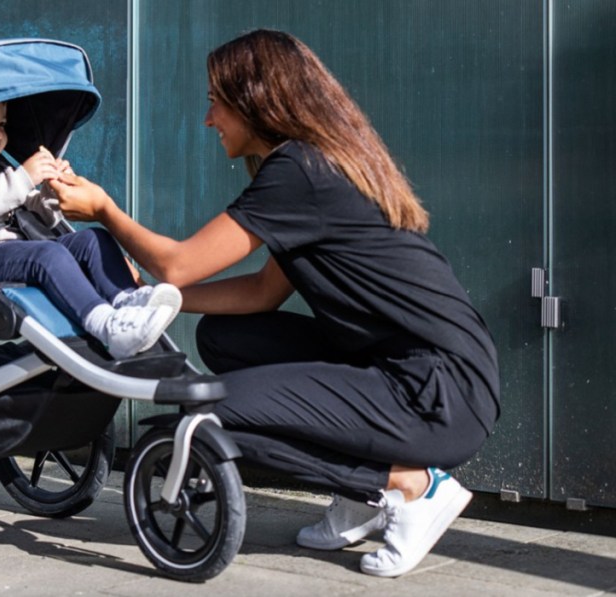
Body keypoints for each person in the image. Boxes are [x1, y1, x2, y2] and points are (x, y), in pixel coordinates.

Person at [49, 29, 500, 577]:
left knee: (208, 412)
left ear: (255, 100)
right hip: (423, 372)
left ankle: (409, 485)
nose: (208, 120)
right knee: (223, 336)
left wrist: (103, 210)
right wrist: (151, 298)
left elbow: (179, 264)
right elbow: (261, 292)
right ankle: (361, 499)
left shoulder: (301, 172)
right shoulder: (318, 165)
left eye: (215, 103)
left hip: (433, 393)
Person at [0, 100, 182, 359]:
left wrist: (50, 193)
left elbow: (39, 218)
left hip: (21, 253)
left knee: (92, 239)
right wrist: (24, 178)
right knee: (48, 254)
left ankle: (127, 301)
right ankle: (107, 326)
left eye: (2, 125)